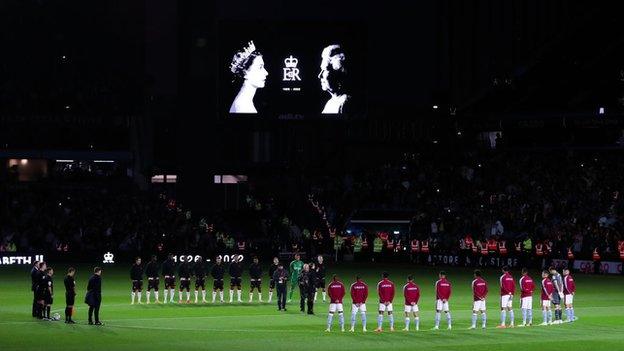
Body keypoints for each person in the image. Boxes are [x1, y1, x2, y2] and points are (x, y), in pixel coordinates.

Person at [229, 40, 268, 113]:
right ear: (245, 72)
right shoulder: (242, 107)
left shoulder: (245, 103)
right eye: (260, 67)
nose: (266, 73)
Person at [318, 44, 351, 114]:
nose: (319, 75)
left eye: (325, 70)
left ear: (339, 77)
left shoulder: (345, 103)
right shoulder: (331, 102)